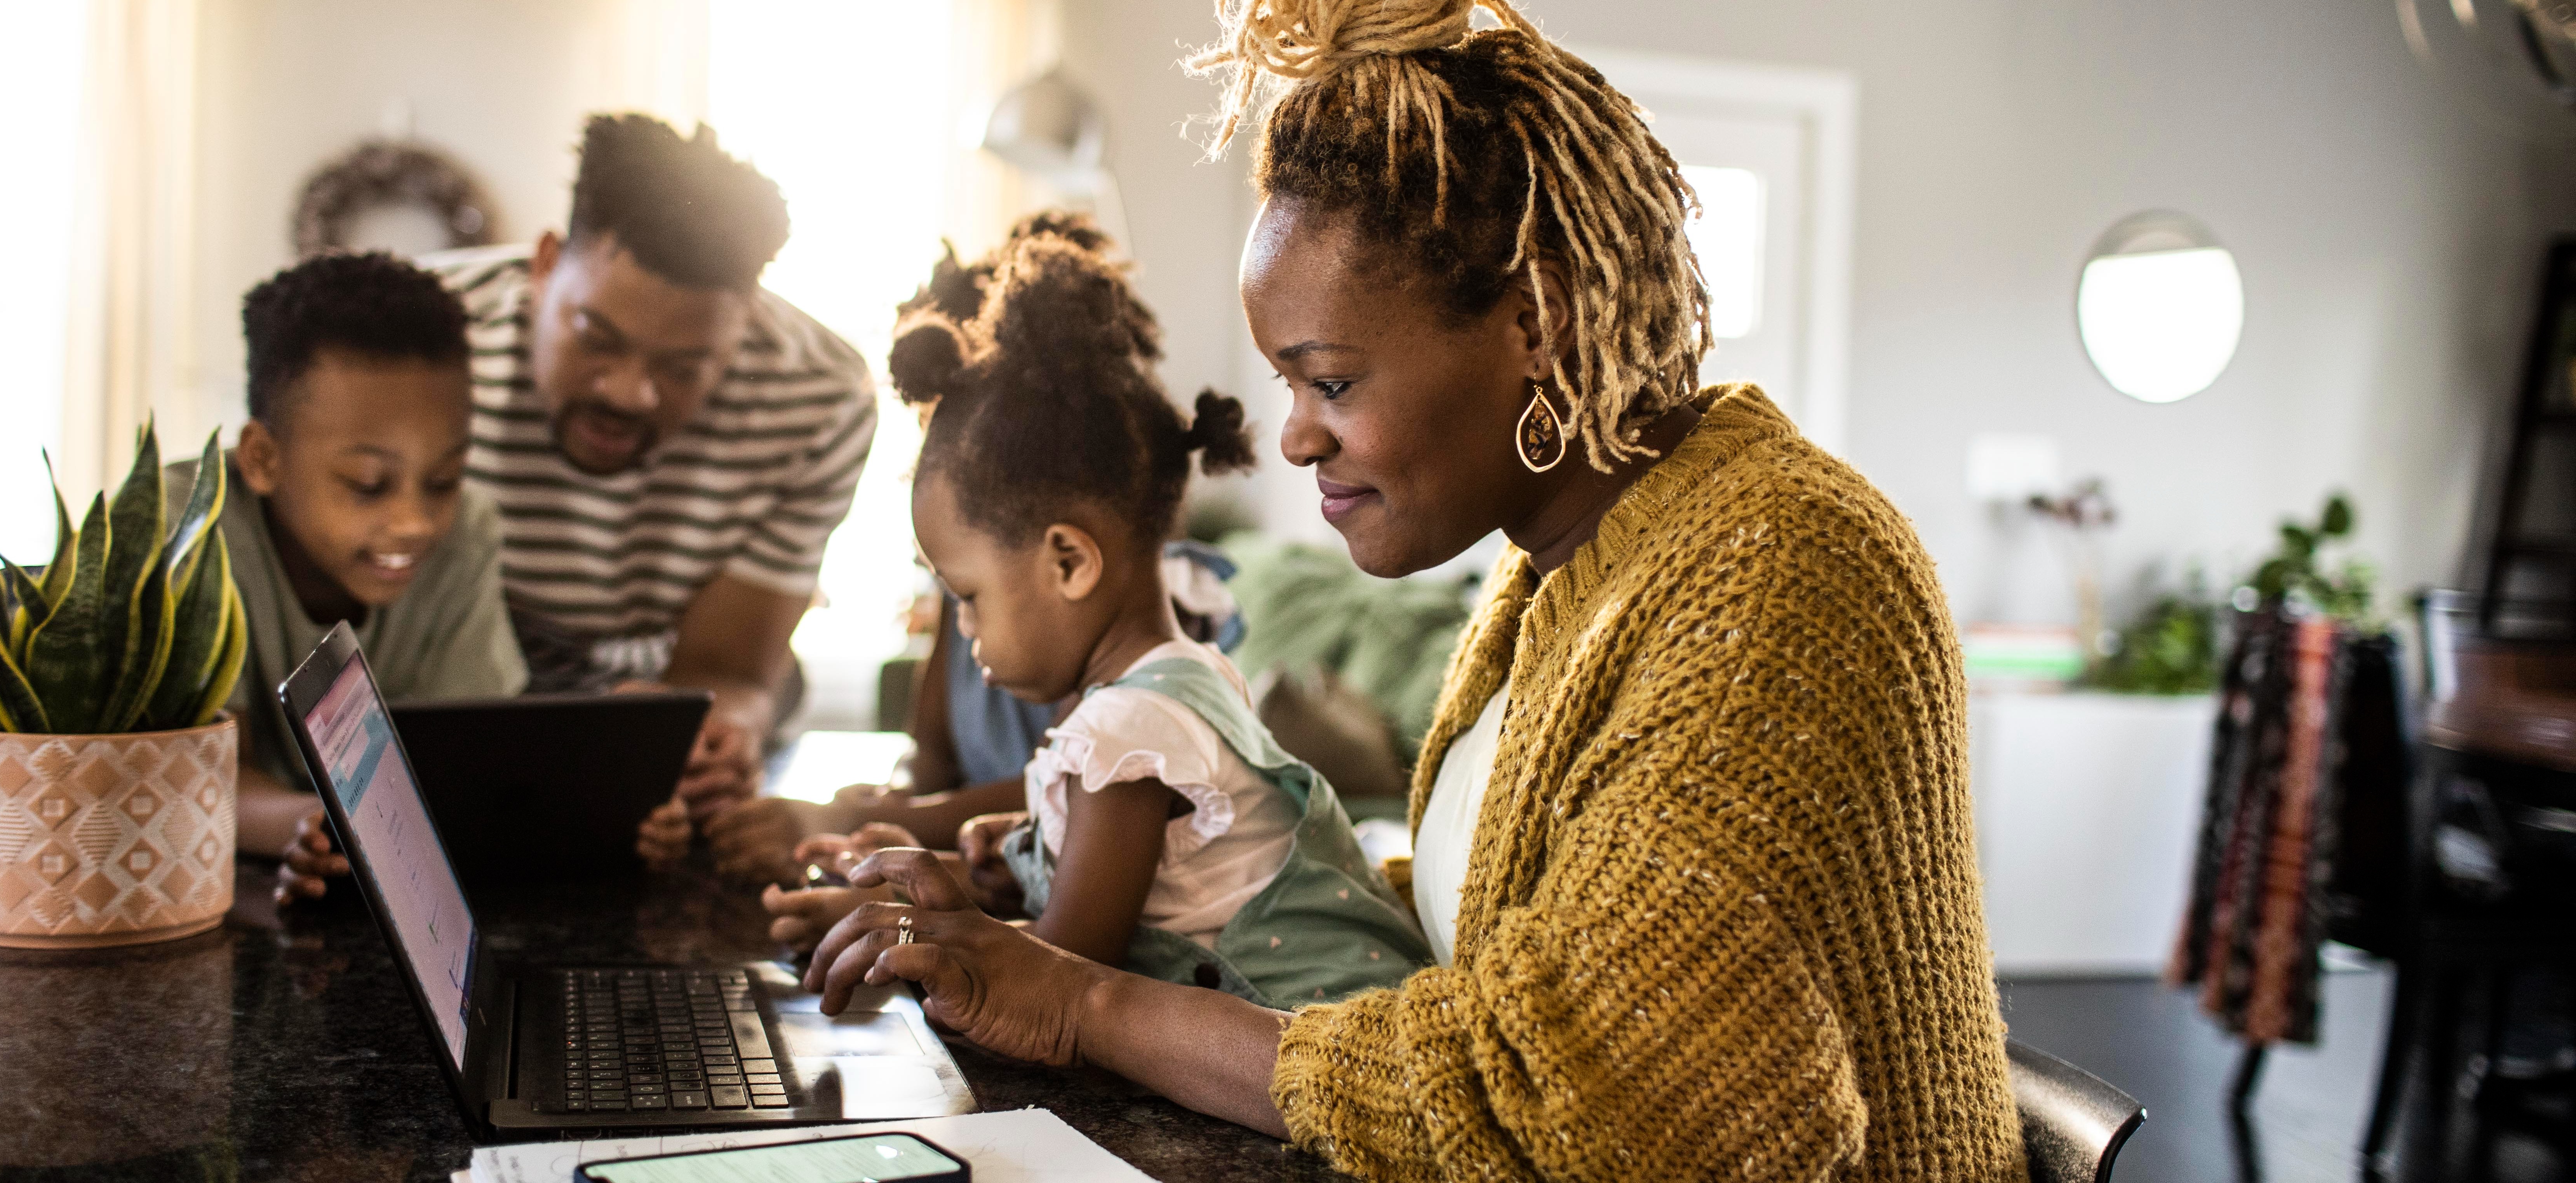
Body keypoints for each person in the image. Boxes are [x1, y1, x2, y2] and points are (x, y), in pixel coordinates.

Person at [785, 2, 2025, 1179]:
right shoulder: (1555, 569)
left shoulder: (1783, 568)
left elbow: (1611, 1103)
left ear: (1533, 320)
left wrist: (1082, 998)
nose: (1293, 440)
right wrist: (1071, 886)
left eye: (1328, 381)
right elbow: (1513, 931)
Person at [776, 224, 1428, 1007]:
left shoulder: (1129, 729)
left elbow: (1060, 970)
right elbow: (1155, 891)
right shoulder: (1175, 682)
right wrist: (1000, 856)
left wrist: (896, 930)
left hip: (1320, 1055)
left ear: (1069, 563)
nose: (964, 630)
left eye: (967, 596)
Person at [702, 216, 1248, 885]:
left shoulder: (1151, 639)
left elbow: (1071, 800)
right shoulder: (976, 587)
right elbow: (931, 763)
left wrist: (846, 826)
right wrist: (885, 818)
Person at [421, 113, 878, 859]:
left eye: (684, 367)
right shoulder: (425, 336)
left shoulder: (820, 395)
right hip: (460, 674)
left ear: (744, 326)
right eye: (597, 340)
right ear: (543, 266)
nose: (632, 394)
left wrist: (705, 732)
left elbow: (728, 668)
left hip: (663, 683)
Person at [175, 252, 526, 903]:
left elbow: (468, 764)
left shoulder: (468, 531)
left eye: (444, 479)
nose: (416, 521)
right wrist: (309, 826)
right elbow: (196, 776)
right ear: (262, 458)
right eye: (369, 484)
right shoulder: (191, 529)